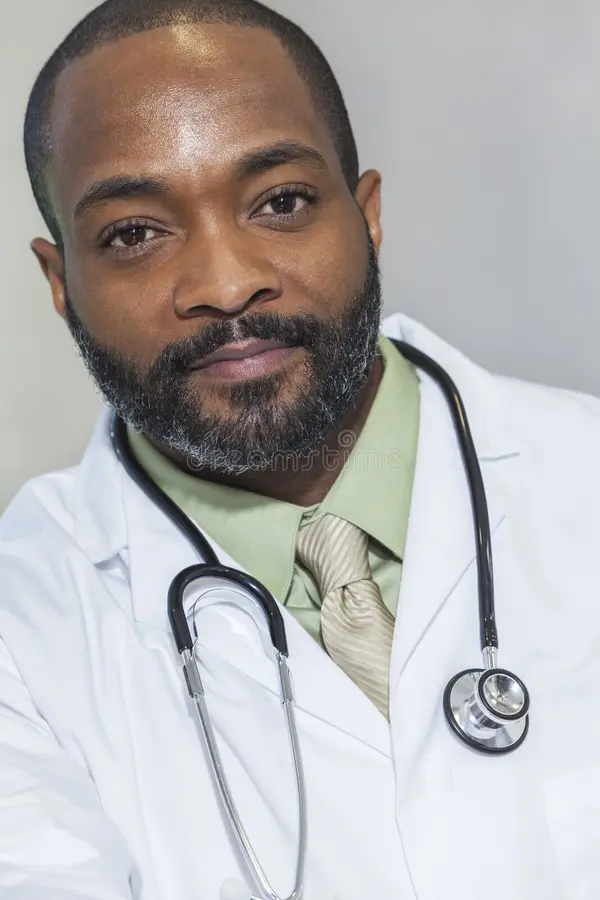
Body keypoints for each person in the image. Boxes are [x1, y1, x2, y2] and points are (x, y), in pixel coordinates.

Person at [1, 0, 600, 897]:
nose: (226, 283)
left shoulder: (583, 471)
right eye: (133, 233)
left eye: (280, 202)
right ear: (60, 281)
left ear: (367, 214)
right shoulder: (21, 629)